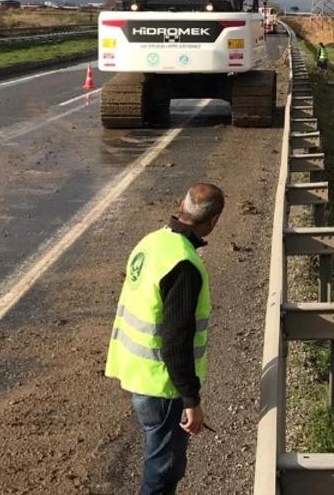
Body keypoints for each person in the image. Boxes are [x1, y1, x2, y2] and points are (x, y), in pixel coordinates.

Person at [106, 183, 226, 495]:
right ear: (213, 221)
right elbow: (176, 341)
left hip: (138, 374)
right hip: (163, 386)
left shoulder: (152, 242)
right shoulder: (184, 264)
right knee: (163, 469)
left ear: (182, 206)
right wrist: (192, 400)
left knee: (159, 459)